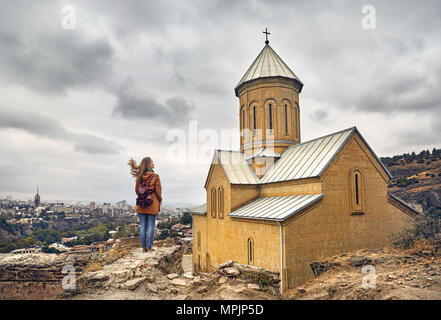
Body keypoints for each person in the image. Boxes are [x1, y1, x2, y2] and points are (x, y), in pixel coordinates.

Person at [128, 157, 162, 252]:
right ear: (148, 165)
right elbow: (158, 191)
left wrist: (143, 196)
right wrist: (159, 200)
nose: (154, 164)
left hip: (141, 204)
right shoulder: (155, 176)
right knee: (151, 225)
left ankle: (143, 247)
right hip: (152, 204)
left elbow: (136, 190)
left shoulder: (139, 176)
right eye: (152, 162)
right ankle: (150, 247)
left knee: (142, 225)